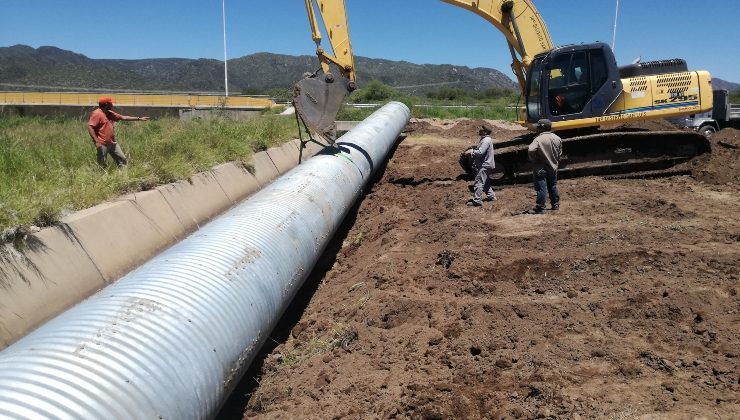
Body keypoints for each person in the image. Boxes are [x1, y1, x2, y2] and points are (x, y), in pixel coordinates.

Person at [87, 97, 150, 167]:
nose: (112, 105)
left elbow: (124, 117)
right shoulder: (97, 114)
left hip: (112, 142)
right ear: (106, 104)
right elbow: (90, 127)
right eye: (111, 103)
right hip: (102, 143)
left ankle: (123, 176)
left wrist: (139, 118)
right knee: (102, 164)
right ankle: (102, 176)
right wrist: (97, 141)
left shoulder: (110, 113)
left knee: (122, 160)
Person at [525, 119, 562, 214]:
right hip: (553, 166)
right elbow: (559, 153)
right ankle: (555, 205)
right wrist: (554, 160)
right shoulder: (557, 138)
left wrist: (534, 159)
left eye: (538, 127)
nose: (537, 128)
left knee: (541, 188)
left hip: (540, 167)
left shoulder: (538, 139)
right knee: (553, 186)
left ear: (542, 127)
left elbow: (531, 149)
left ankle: (540, 208)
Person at [464, 124, 497, 207]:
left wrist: (471, 151)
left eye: (481, 130)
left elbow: (481, 152)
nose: (479, 131)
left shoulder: (486, 140)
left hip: (485, 165)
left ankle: (477, 200)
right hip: (485, 164)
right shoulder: (485, 139)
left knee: (478, 182)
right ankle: (491, 196)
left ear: (485, 132)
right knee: (485, 182)